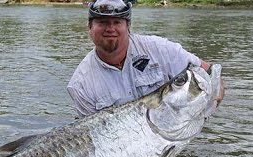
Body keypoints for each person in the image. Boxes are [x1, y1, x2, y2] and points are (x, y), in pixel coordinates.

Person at [67, 0, 224, 117]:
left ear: (128, 26)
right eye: (102, 23)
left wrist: (208, 106)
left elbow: (209, 72)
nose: (110, 29)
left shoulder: (160, 49)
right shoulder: (80, 85)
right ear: (89, 28)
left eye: (117, 22)